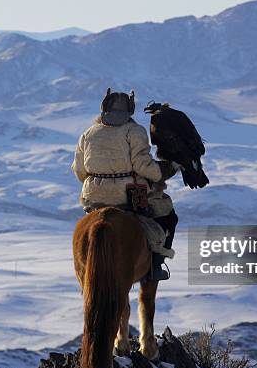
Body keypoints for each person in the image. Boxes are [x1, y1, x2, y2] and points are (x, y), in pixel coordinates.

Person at [71, 88, 178, 281]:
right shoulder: (134, 131)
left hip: (94, 196)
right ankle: (155, 266)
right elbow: (142, 166)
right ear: (130, 109)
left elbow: (79, 170)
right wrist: (164, 171)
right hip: (128, 196)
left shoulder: (88, 133)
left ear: (104, 108)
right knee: (168, 217)